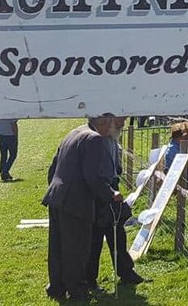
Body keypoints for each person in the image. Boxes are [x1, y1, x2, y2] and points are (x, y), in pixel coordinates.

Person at [42, 113, 121, 300]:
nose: (111, 130)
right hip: (76, 200)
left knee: (58, 246)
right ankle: (76, 288)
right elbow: (91, 177)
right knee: (76, 247)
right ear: (103, 121)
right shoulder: (94, 139)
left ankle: (57, 286)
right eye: (110, 125)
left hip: (57, 195)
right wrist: (111, 193)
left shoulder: (74, 132)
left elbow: (53, 166)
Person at [90, 116, 144, 287]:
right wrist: (108, 191)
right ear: (110, 119)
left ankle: (126, 271)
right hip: (101, 190)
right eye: (122, 118)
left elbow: (115, 166)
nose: (124, 123)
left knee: (118, 233)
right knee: (96, 235)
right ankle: (89, 278)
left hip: (113, 188)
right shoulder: (97, 139)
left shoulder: (112, 137)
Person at [0, 117, 19, 182]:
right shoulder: (10, 114)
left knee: (3, 155)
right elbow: (14, 124)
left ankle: (3, 172)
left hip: (1, 136)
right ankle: (5, 171)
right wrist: (16, 136)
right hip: (10, 136)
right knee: (13, 155)